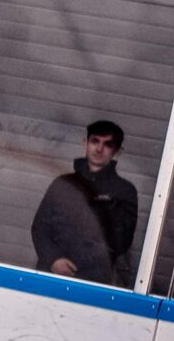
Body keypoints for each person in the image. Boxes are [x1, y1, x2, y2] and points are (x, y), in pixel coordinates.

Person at [31, 121, 137, 286]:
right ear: (85, 143)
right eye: (95, 141)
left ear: (117, 152)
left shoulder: (124, 191)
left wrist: (82, 264)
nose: (99, 149)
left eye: (107, 144)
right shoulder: (62, 183)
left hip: (92, 282)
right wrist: (54, 259)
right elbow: (40, 227)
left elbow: (120, 242)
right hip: (49, 276)